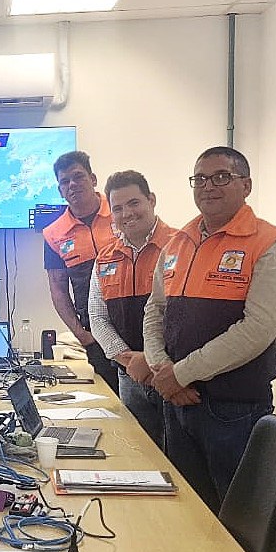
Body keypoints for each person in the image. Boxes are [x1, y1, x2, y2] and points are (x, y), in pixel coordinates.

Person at [142, 146, 276, 512]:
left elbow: (257, 331)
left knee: (239, 519)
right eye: (199, 179)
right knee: (188, 512)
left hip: (233, 410)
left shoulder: (273, 246)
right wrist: (161, 369)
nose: (208, 186)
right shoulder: (177, 243)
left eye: (221, 177)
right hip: (177, 404)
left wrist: (180, 374)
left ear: (246, 185)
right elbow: (155, 311)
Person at [87, 170, 177, 449]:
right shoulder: (105, 258)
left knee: (179, 461)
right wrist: (129, 361)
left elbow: (187, 319)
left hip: (173, 375)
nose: (127, 213)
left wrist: (151, 362)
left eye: (134, 203)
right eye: (117, 208)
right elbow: (98, 317)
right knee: (138, 453)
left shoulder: (180, 247)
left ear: (151, 200)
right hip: (129, 376)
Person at [41, 150, 121, 391]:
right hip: (94, 334)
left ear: (93, 179)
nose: (72, 185)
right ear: (60, 190)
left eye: (78, 177)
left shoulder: (121, 211)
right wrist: (82, 336)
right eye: (65, 181)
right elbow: (58, 290)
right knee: (114, 402)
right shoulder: (53, 233)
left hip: (135, 328)